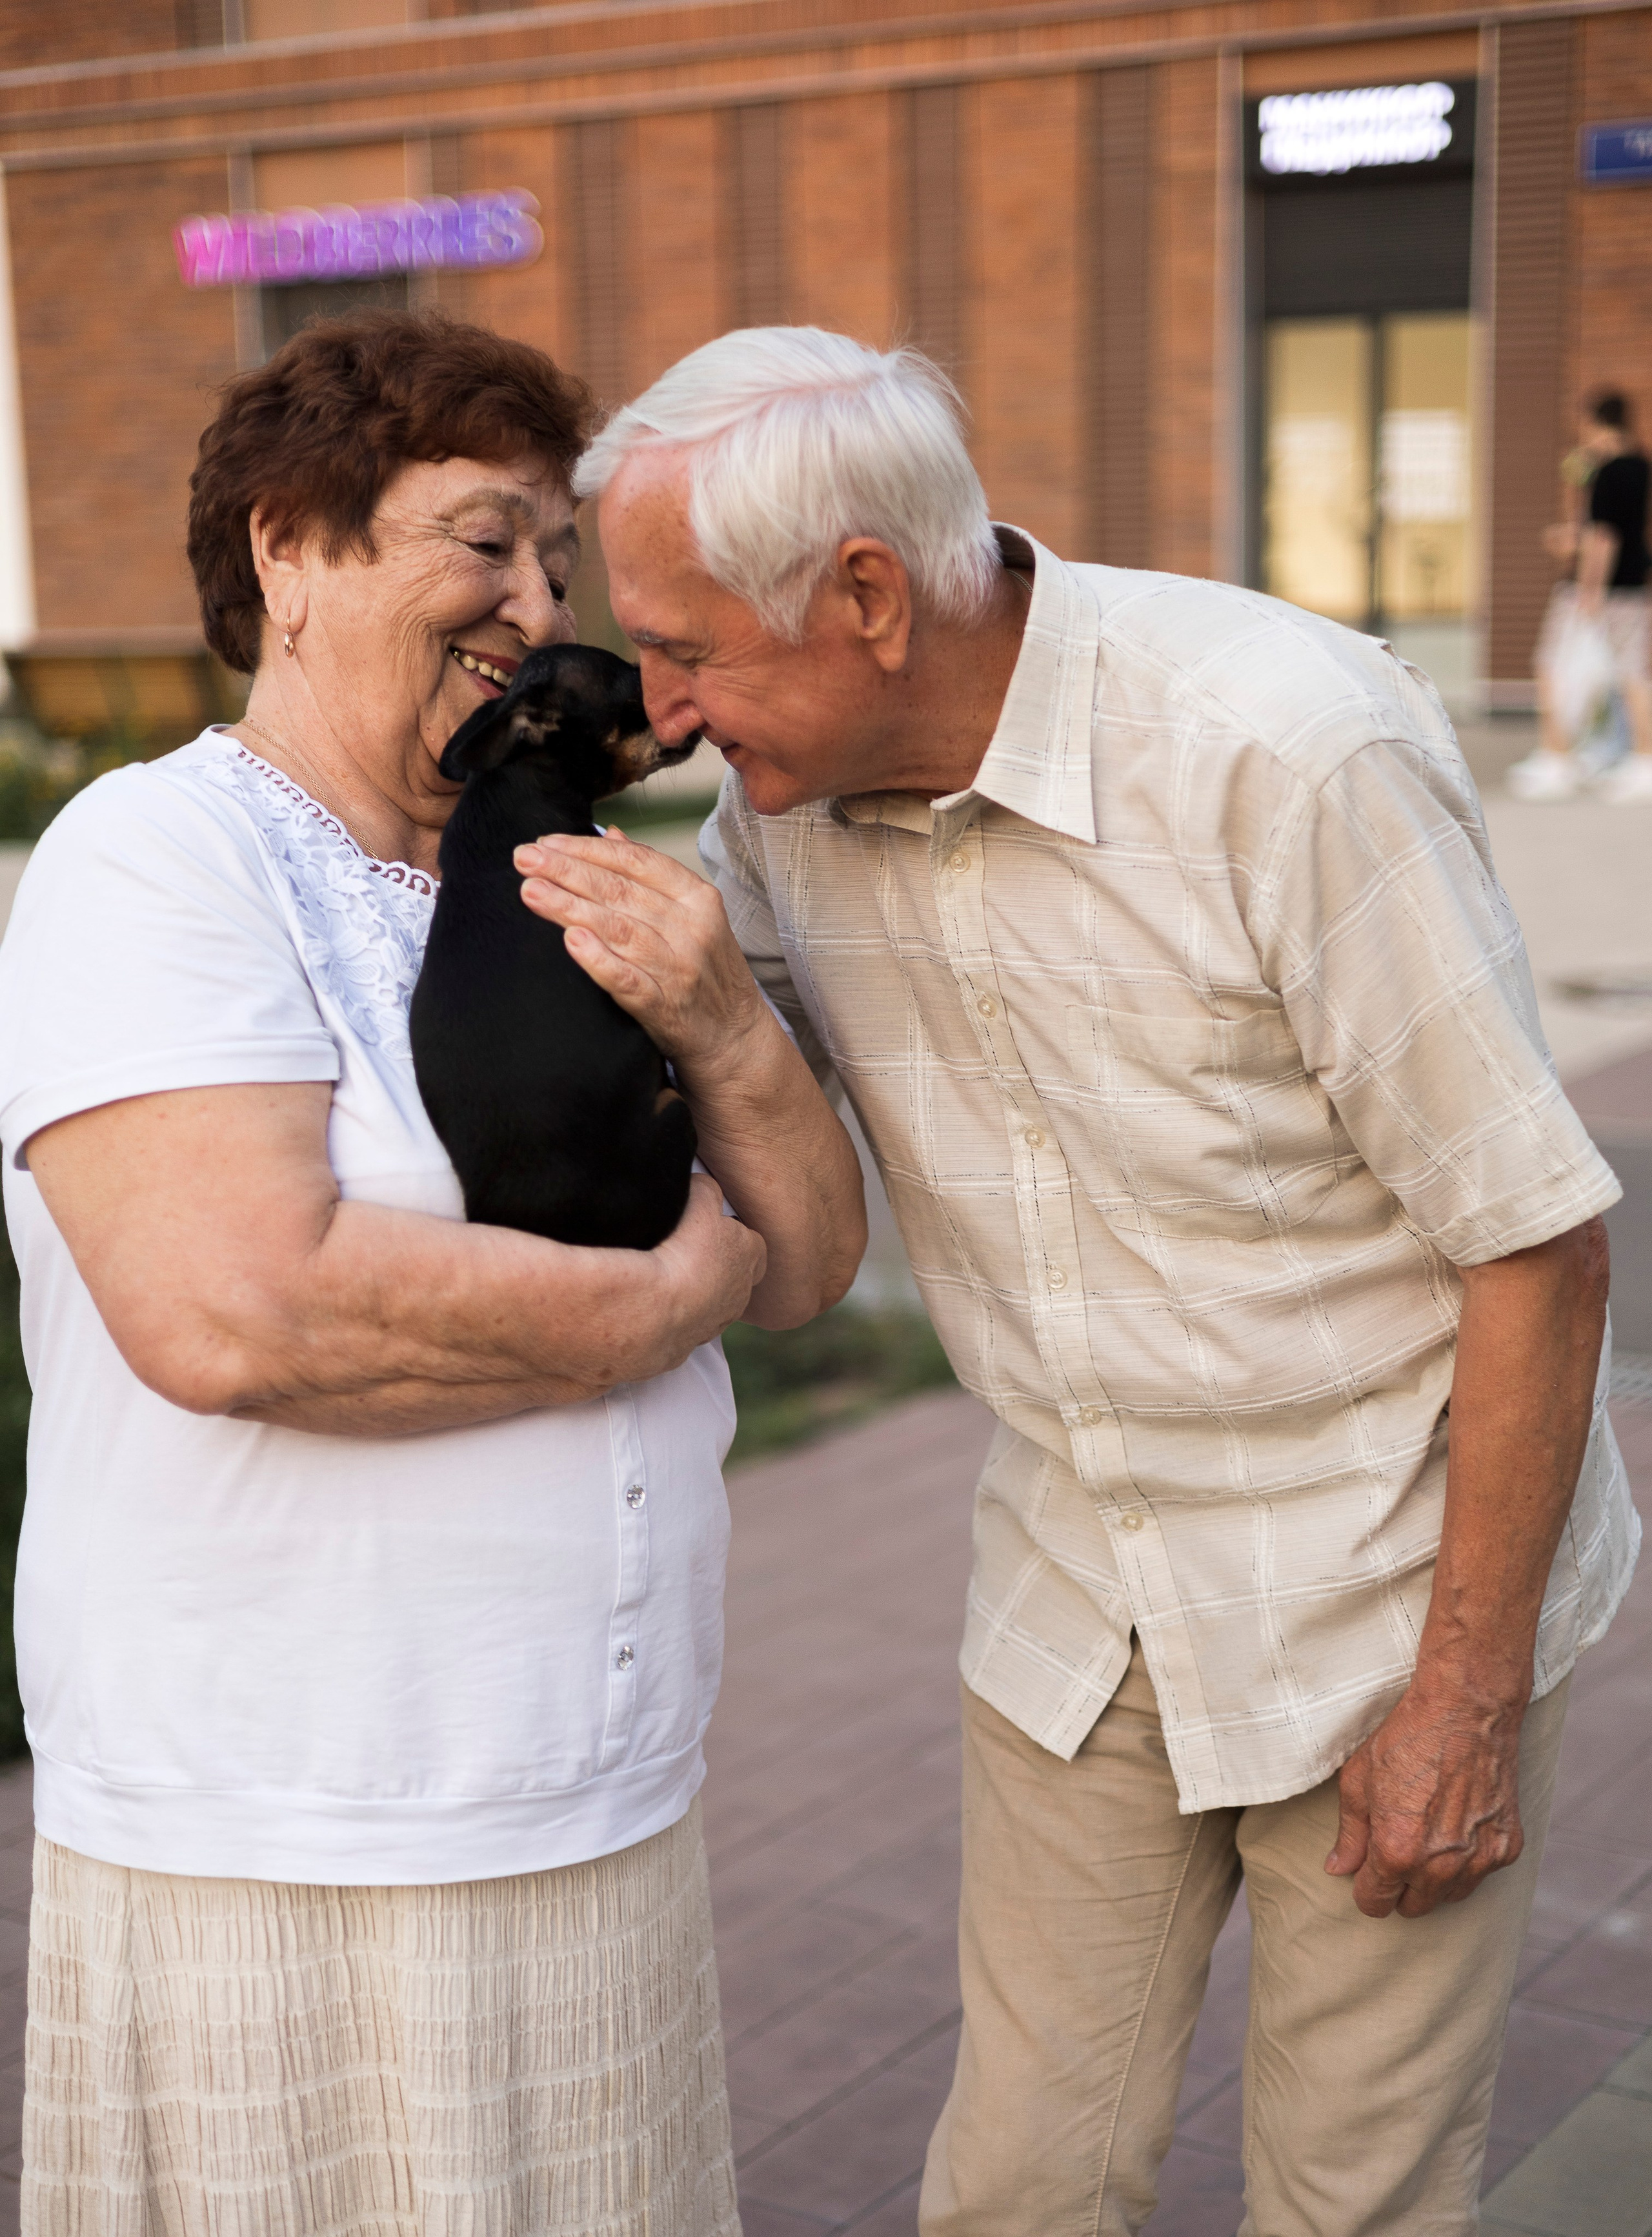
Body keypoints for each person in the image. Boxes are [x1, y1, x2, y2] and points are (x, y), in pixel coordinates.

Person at [523, 325, 1636, 2237]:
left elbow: (1531, 1242)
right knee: (1018, 2190)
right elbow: (794, 1242)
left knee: (1348, 2204)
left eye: (689, 648)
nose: (670, 710)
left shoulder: (1284, 746)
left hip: (1383, 1589)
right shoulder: (783, 821)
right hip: (1076, 1595)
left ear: (865, 592)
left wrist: (1456, 1702)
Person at [0, 309, 865, 2236]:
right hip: (298, 1833)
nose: (531, 599)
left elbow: (806, 1263)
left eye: (551, 559)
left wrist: (723, 1022)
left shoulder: (571, 868)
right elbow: (235, 1308)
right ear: (290, 558)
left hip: (591, 1807)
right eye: (482, 540)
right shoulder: (160, 859)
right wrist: (652, 1308)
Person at [1510, 386, 1652, 802]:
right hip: (1633, 586)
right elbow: (1622, 531)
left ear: (1593, 420)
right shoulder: (1641, 466)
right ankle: (1644, 762)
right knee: (1634, 675)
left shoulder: (1608, 470)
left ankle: (1557, 760)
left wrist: (1589, 592)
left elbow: (1604, 537)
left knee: (1552, 666)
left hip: (1597, 589)